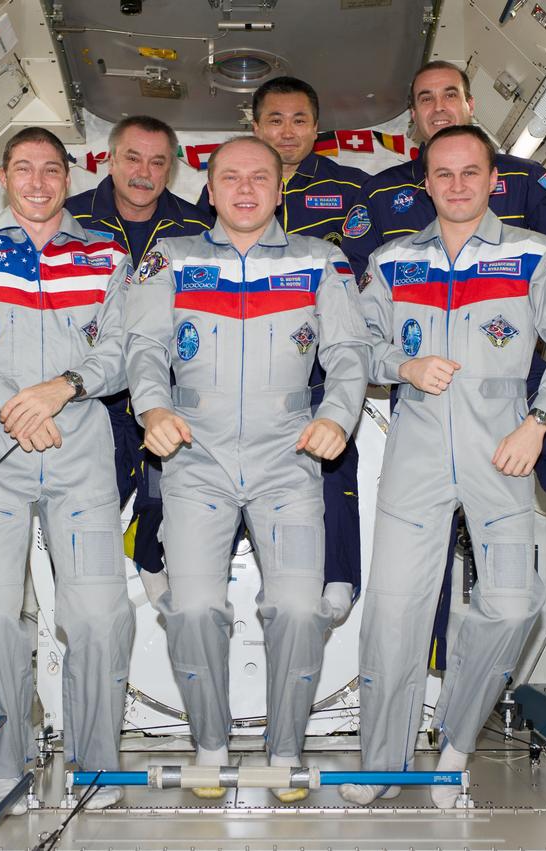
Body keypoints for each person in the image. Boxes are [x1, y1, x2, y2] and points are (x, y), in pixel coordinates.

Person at [342, 60, 546, 654]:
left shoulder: (522, 180)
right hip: (426, 379)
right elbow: (352, 283)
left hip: (513, 375)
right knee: (424, 522)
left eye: (450, 95)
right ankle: (429, 646)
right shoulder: (379, 195)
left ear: (470, 105)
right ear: (412, 119)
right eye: (425, 98)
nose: (438, 107)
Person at [341, 125, 546, 808]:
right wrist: (403, 364)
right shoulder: (394, 260)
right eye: (443, 174)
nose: (457, 185)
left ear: (493, 181)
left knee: (515, 603)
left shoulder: (535, 254)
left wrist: (538, 422)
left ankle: (456, 741)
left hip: (502, 451)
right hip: (417, 455)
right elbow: (356, 347)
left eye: (470, 173)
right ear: (424, 183)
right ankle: (382, 765)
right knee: (393, 613)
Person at [124, 136, 370, 802]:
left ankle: (283, 749)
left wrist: (338, 418)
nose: (244, 188)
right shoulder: (171, 259)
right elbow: (142, 347)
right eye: (229, 177)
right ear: (209, 189)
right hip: (194, 460)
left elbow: (350, 354)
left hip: (288, 462)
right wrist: (152, 408)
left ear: (278, 188)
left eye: (259, 176)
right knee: (195, 605)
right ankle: (210, 741)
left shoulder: (321, 261)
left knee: (297, 606)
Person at [0, 127, 135, 814]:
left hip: (81, 455)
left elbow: (124, 344)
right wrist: (19, 406)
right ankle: (8, 767)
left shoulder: (105, 256)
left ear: (68, 178)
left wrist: (63, 387)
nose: (39, 182)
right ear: (3, 178)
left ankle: (97, 764)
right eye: (24, 168)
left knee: (100, 615)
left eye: (51, 169)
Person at [197, 76, 371, 616]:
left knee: (336, 457)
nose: (287, 131)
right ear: (255, 125)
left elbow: (361, 276)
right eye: (274, 119)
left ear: (317, 128)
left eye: (299, 120)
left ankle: (338, 576)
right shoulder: (224, 189)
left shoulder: (349, 191)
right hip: (248, 364)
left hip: (320, 362)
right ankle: (202, 577)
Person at [66, 116, 211, 592]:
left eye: (157, 161)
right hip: (93, 385)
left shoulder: (197, 226)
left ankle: (148, 551)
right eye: (132, 157)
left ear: (171, 169)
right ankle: (90, 588)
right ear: (109, 158)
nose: (143, 172)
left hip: (166, 380)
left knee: (168, 480)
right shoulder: (71, 221)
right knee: (92, 499)